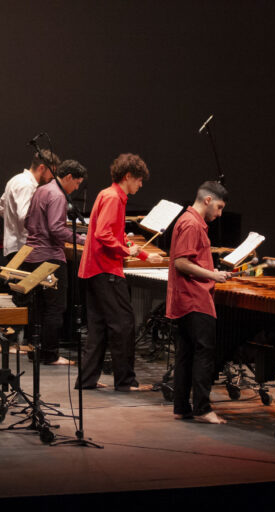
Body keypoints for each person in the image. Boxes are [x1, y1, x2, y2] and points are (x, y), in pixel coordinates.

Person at [75, 153, 162, 391]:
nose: (141, 185)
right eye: (139, 180)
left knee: (99, 327)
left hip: (93, 270)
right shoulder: (114, 197)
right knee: (124, 324)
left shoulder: (107, 194)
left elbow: (115, 233)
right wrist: (130, 252)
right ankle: (125, 381)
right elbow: (103, 235)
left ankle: (87, 380)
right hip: (105, 270)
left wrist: (143, 254)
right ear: (128, 176)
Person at [166, 181, 231, 424]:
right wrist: (214, 275)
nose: (220, 213)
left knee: (186, 354)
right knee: (204, 354)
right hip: (195, 299)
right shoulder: (192, 223)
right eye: (219, 207)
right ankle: (203, 409)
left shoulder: (189, 221)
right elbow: (181, 262)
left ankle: (182, 407)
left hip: (186, 299)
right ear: (207, 200)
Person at [23, 159, 88, 365]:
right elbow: (56, 229)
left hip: (32, 256)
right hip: (49, 258)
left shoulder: (41, 190)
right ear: (68, 177)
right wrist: (81, 240)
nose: (76, 188)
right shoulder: (58, 195)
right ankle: (50, 354)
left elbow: (27, 221)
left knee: (40, 307)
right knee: (55, 308)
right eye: (77, 183)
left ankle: (38, 350)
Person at [0, 150, 60, 261]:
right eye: (52, 172)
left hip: (13, 245)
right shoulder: (27, 186)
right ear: (41, 168)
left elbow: (0, 209)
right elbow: (24, 217)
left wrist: (12, 224)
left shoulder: (15, 180)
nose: (53, 177)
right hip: (22, 248)